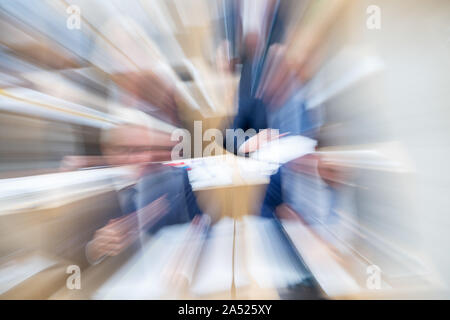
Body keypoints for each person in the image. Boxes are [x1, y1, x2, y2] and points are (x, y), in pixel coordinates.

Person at [85, 124, 203, 265]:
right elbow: (71, 256)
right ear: (107, 150)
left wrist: (187, 253)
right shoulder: (89, 191)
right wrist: (95, 248)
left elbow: (199, 223)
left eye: (142, 150)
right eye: (125, 150)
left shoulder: (175, 179)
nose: (136, 159)